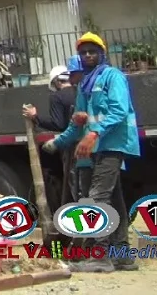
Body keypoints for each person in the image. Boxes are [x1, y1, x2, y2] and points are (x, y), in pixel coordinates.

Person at [44, 33, 139, 273]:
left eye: (92, 51)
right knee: (114, 201)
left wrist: (94, 133)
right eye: (83, 52)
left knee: (97, 197)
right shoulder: (85, 85)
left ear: (101, 54)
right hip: (97, 147)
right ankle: (122, 256)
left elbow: (119, 111)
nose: (87, 55)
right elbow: (77, 123)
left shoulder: (112, 77)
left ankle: (100, 256)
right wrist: (59, 142)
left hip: (113, 144)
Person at [22, 56, 82, 203]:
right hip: (86, 142)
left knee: (74, 185)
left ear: (56, 81)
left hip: (70, 145)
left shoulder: (56, 97)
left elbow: (58, 124)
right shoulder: (80, 92)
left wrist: (35, 117)